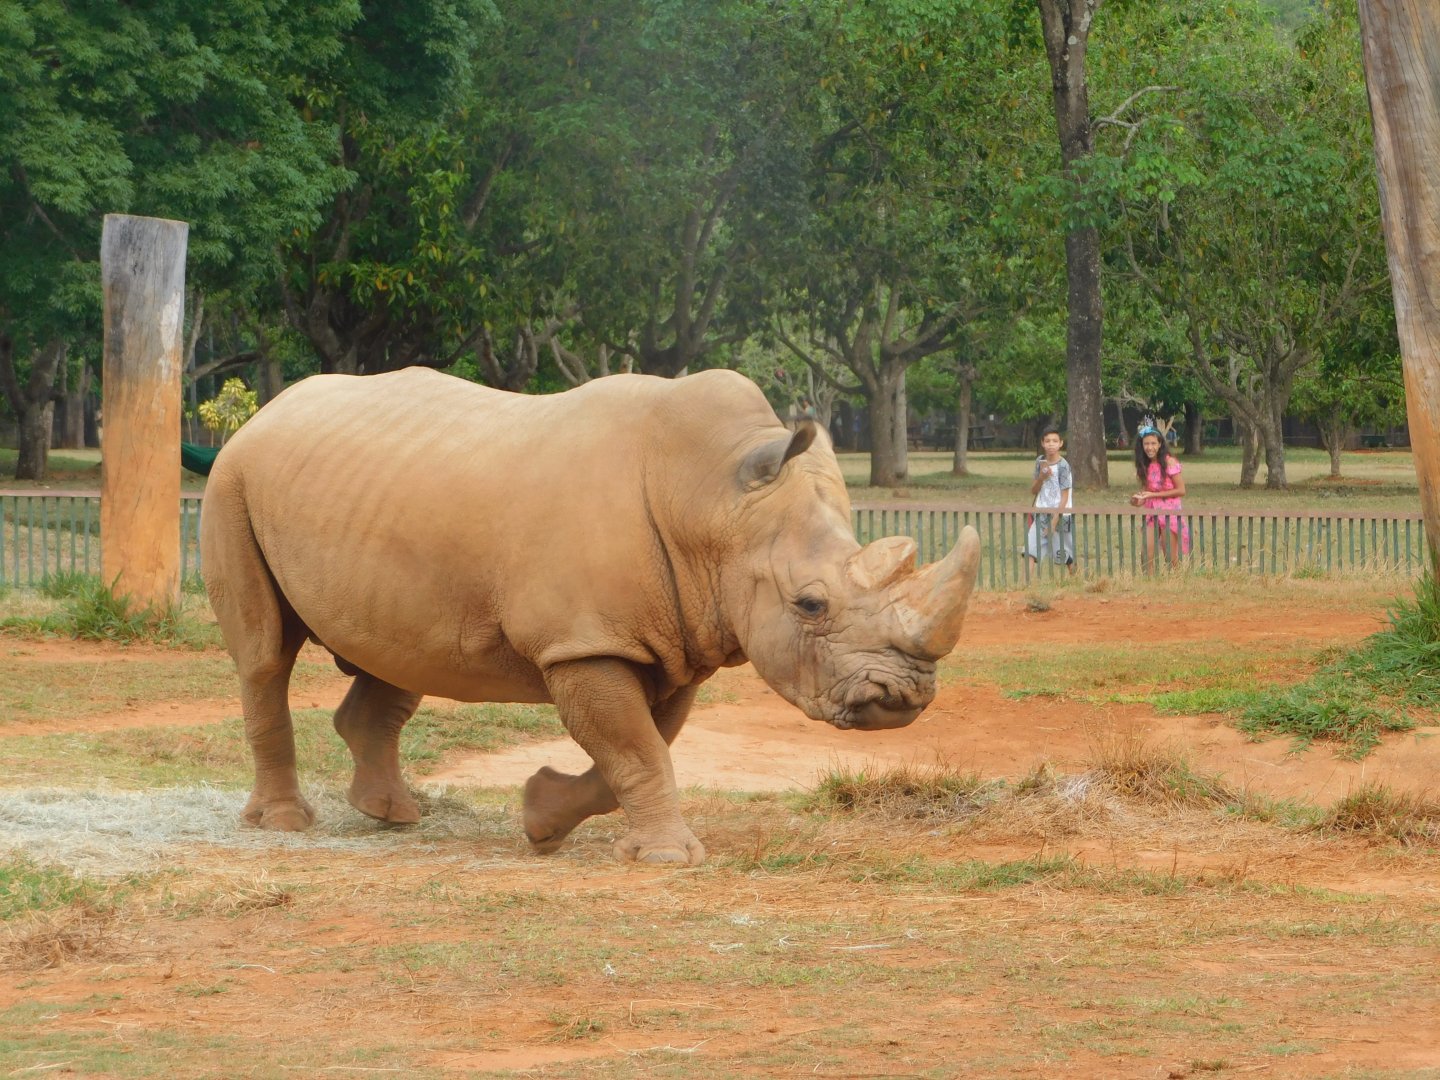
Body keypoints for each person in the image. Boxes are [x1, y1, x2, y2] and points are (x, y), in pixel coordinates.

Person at [1130, 423, 1190, 571]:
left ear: (1160, 444)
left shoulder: (1170, 462)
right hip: (1152, 513)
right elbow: (1146, 493)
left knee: (1170, 556)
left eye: (1153, 443)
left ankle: (1176, 582)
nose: (1149, 447)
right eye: (1146, 444)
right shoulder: (1144, 465)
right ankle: (1149, 582)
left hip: (1170, 513)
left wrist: (1154, 495)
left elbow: (1181, 490)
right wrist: (1136, 500)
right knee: (1146, 555)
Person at [1024, 425, 1075, 574]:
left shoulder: (1063, 466)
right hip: (1041, 514)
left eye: (1054, 441)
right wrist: (1041, 477)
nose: (1051, 444)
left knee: (1065, 554)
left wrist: (1054, 522)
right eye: (1047, 441)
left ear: (1060, 443)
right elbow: (1033, 490)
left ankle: (1077, 579)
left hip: (1060, 516)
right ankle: (1025, 583)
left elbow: (1065, 496)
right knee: (1030, 550)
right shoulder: (1040, 461)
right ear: (1042, 443)